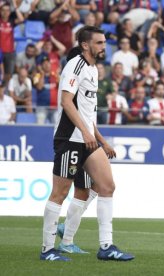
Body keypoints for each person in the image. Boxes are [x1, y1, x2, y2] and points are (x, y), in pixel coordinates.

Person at [40, 25, 134, 262]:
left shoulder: (93, 69)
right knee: (60, 193)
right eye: (100, 43)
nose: (104, 46)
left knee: (107, 186)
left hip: (87, 138)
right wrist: (85, 132)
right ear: (85, 45)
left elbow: (87, 113)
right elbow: (66, 101)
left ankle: (106, 246)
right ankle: (48, 249)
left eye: (104, 42)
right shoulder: (76, 65)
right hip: (70, 138)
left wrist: (99, 139)